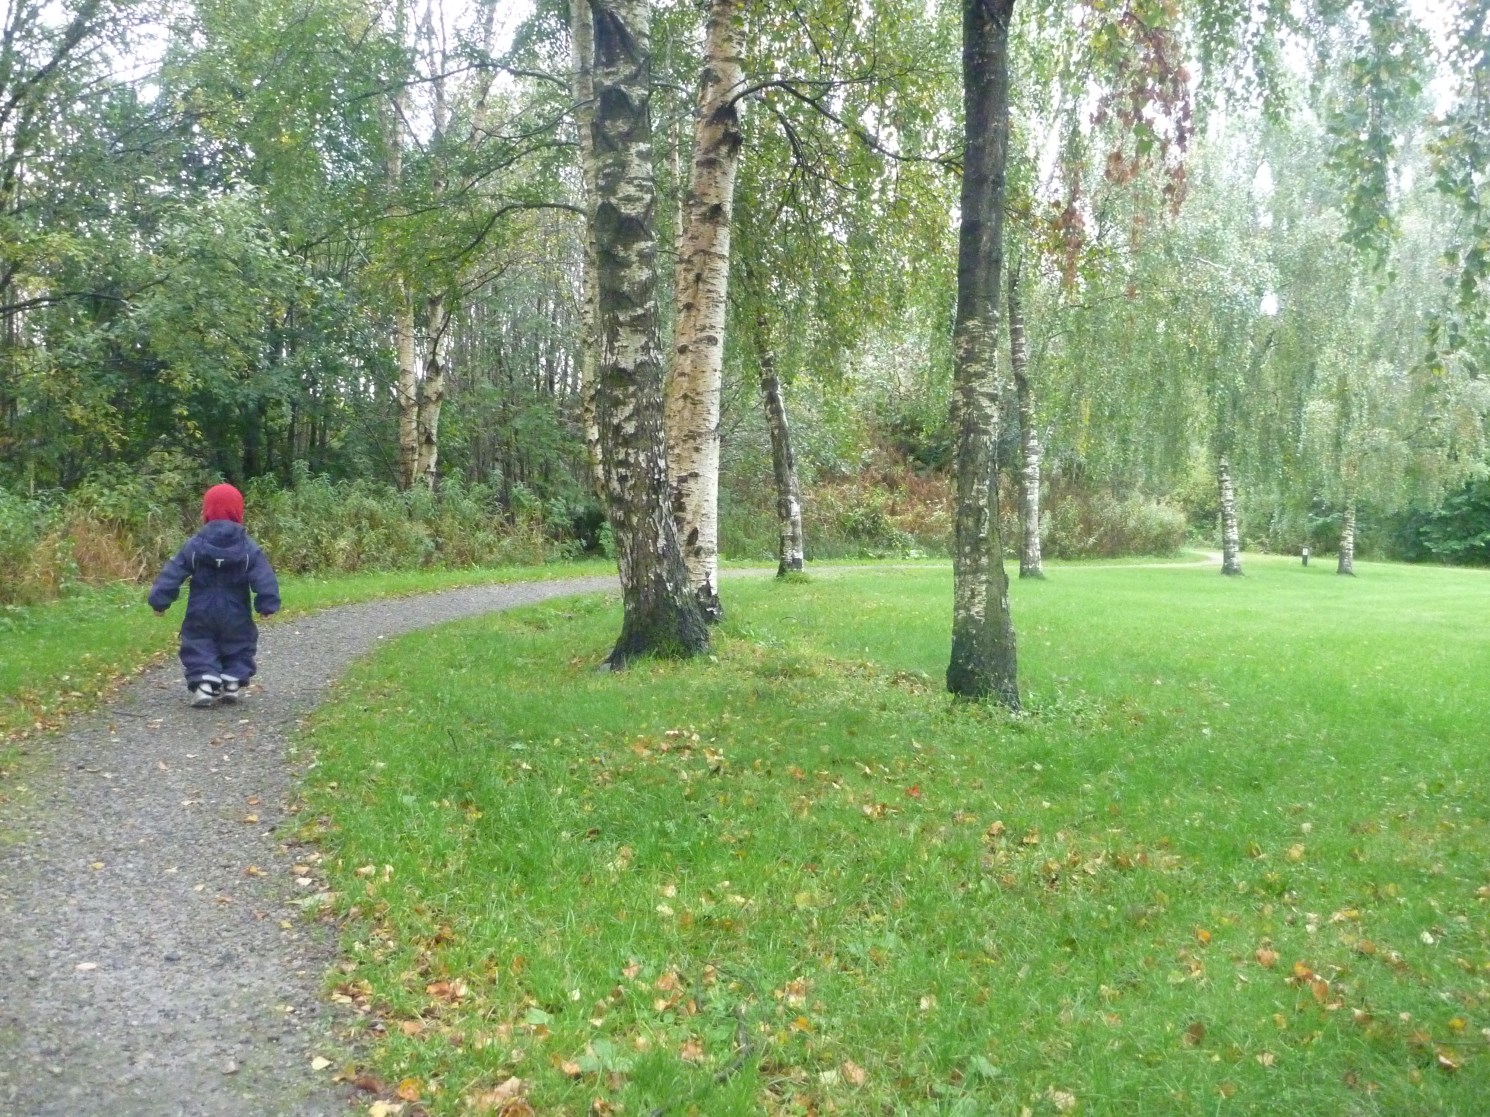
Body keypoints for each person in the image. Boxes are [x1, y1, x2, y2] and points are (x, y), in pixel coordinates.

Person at [149, 483, 280, 707]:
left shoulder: (195, 545)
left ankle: (204, 685)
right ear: (238, 511)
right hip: (236, 608)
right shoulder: (247, 547)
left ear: (206, 511)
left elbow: (174, 571)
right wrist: (266, 603)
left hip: (201, 607)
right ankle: (231, 682)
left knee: (199, 641)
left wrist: (160, 600)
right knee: (239, 641)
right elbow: (263, 575)